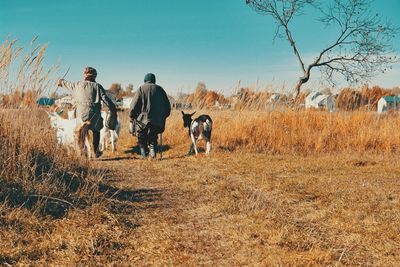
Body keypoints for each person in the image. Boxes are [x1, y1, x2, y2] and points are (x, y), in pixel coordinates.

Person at [57, 66, 117, 158]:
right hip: (95, 115)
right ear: (95, 76)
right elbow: (106, 99)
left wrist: (61, 81)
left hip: (81, 115)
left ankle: (83, 152)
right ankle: (96, 151)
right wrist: (113, 108)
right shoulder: (98, 86)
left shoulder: (77, 85)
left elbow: (66, 84)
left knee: (81, 133)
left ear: (84, 76)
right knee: (96, 131)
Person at [130, 73, 171, 159]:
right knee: (153, 135)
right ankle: (152, 150)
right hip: (156, 119)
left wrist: (132, 116)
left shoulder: (141, 88)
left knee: (141, 136)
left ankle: (143, 153)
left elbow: (134, 105)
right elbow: (167, 106)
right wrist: (164, 115)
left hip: (142, 118)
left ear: (145, 80)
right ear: (154, 80)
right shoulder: (160, 89)